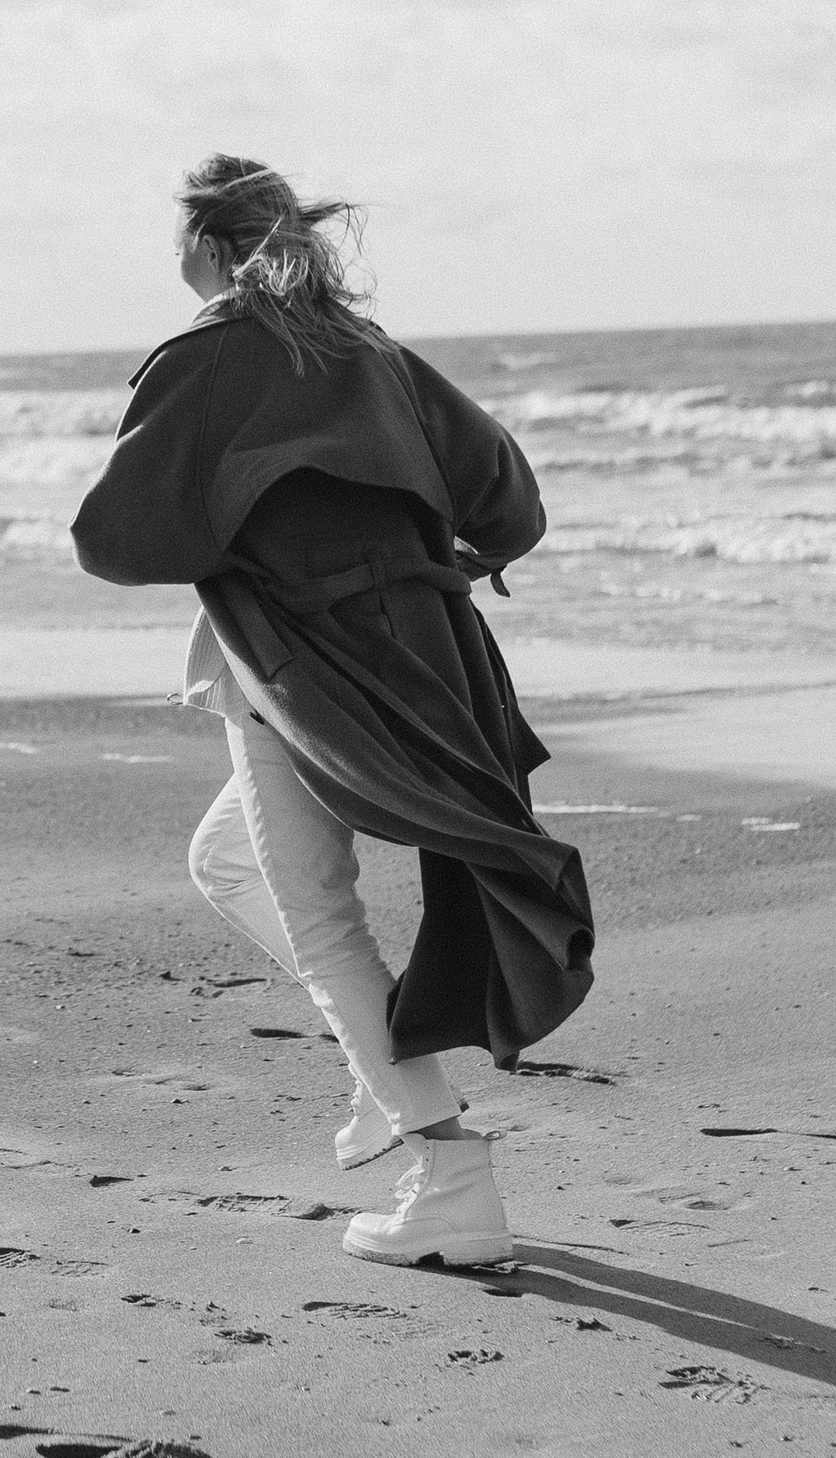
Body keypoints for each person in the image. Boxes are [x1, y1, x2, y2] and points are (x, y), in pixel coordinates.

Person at [72, 158, 594, 1272]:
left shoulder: (208, 354)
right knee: (226, 864)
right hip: (431, 650)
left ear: (208, 250)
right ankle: (382, 1075)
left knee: (316, 916)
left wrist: (240, 530)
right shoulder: (367, 347)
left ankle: (450, 1177)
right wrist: (425, 559)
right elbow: (510, 496)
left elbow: (114, 540)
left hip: (305, 661)